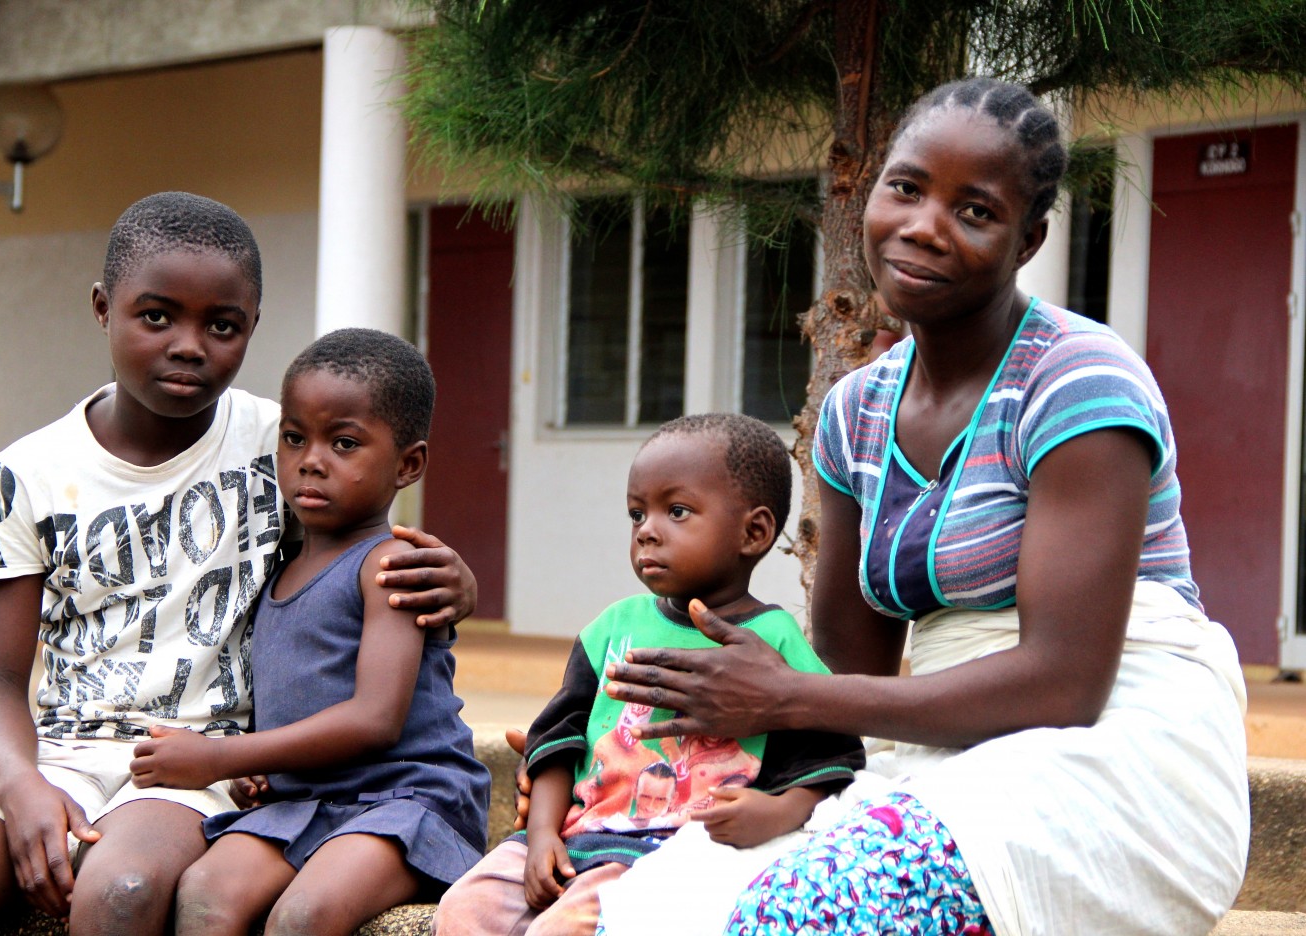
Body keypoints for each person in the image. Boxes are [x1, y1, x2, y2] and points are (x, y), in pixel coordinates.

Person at [599, 77, 1251, 936]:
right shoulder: (854, 412)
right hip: (943, 747)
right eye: (904, 187)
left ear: (1028, 241)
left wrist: (787, 695)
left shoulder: (1076, 381)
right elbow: (842, 678)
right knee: (656, 905)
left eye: (973, 211)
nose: (921, 227)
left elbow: (1065, 683)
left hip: (1116, 752)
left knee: (801, 912)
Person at [0, 193, 477, 936]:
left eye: (222, 325)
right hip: (60, 752)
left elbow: (363, 557)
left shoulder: (287, 441)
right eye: (155, 316)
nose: (188, 345)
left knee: (124, 889)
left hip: (209, 760)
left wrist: (453, 582)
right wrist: (19, 786)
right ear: (104, 308)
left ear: (251, 328)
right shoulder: (28, 473)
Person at [434, 413, 866, 936]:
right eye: (637, 515)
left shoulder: (773, 641)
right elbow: (557, 740)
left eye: (676, 511)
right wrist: (543, 833)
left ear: (754, 532)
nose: (647, 533)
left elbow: (831, 758)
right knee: (462, 910)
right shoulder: (612, 629)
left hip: (670, 856)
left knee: (564, 929)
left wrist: (778, 813)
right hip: (573, 838)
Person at [128, 327, 492, 935]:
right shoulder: (276, 564)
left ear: (408, 464)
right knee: (204, 894)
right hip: (302, 801)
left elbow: (373, 719)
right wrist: (262, 765)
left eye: (344, 443)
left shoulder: (390, 566)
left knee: (303, 915)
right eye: (294, 438)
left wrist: (219, 758)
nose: (311, 460)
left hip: (404, 798)